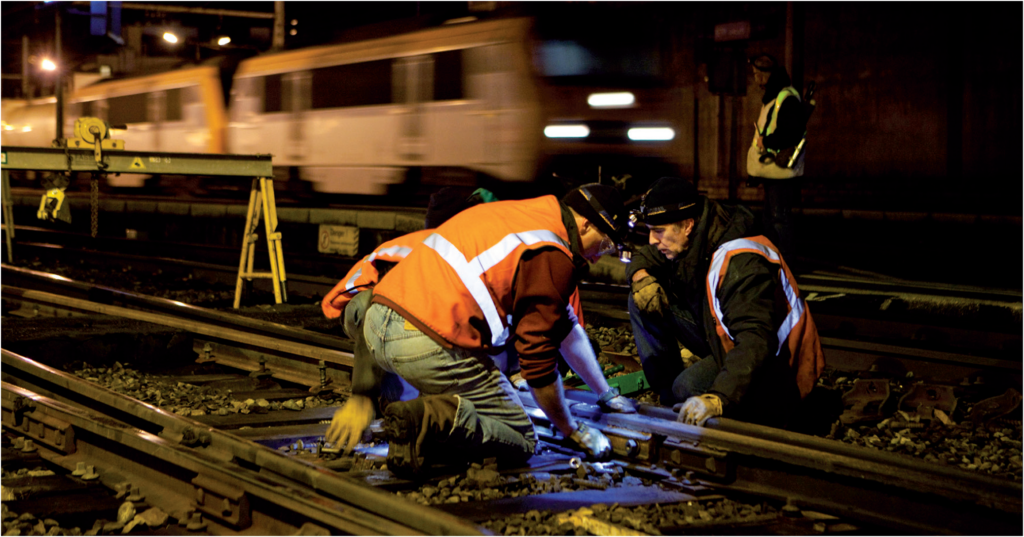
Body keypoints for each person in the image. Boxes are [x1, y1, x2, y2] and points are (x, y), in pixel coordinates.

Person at [330, 184, 637, 477]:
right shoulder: (551, 253)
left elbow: (566, 328)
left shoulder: (525, 216)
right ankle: (426, 419)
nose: (600, 257)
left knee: (471, 368)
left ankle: (407, 408)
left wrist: (605, 393)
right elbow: (538, 364)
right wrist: (572, 430)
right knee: (520, 437)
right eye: (606, 244)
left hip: (374, 331)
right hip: (424, 343)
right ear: (584, 225)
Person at [627, 177, 824, 428]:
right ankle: (669, 397)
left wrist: (718, 398)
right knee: (641, 297)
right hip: (726, 338)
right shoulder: (695, 234)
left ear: (687, 225)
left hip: (775, 368)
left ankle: (734, 401)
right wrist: (640, 276)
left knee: (687, 388)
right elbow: (648, 255)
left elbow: (756, 340)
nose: (652, 240)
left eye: (658, 231)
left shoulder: (741, 262)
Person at [746, 53, 807, 259]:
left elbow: (791, 131)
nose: (755, 78)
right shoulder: (775, 97)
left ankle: (785, 263)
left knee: (778, 218)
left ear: (766, 74)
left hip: (780, 170)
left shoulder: (784, 97)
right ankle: (775, 260)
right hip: (773, 170)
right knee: (771, 219)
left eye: (757, 74)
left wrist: (768, 142)